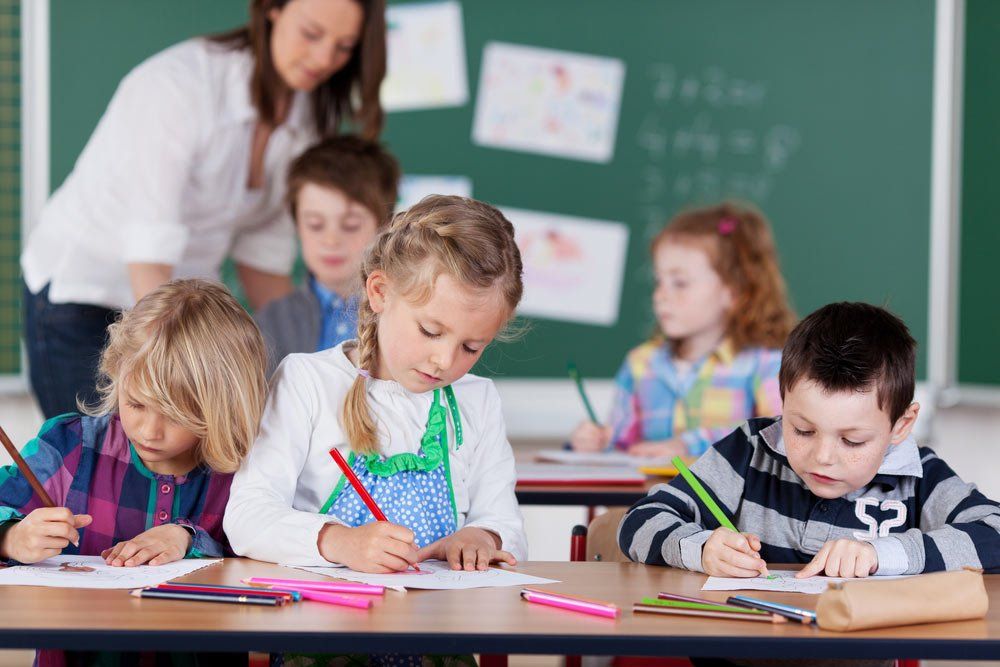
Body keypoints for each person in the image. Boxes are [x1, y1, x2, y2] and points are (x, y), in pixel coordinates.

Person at [21, 0, 386, 418]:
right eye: (311, 34)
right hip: (86, 295)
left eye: (344, 47)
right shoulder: (178, 88)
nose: (325, 59)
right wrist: (195, 371)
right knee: (104, 465)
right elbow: (149, 259)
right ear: (271, 9)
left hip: (178, 300)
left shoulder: (308, 117)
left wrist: (315, 374)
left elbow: (263, 262)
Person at [225, 195, 528, 574]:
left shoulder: (477, 399)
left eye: (471, 347)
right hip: (321, 621)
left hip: (439, 621)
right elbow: (247, 517)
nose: (446, 361)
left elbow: (504, 521)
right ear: (380, 292)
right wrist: (339, 542)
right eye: (430, 331)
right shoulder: (307, 382)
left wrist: (483, 537)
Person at [618, 302, 1000, 578]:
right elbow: (639, 522)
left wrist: (882, 554)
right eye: (802, 430)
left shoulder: (919, 478)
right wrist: (700, 550)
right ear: (783, 401)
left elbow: (994, 531)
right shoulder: (749, 450)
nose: (823, 457)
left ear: (901, 425)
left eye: (853, 441)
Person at [0, 279, 269, 667]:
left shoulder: (245, 468)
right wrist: (12, 538)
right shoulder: (70, 446)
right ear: (116, 373)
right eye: (137, 404)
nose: (149, 431)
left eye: (177, 415)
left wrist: (189, 539)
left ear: (224, 404)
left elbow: (273, 563)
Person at [571, 202, 796, 458]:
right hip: (652, 497)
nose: (660, 296)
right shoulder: (641, 363)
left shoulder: (765, 363)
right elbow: (622, 441)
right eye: (659, 281)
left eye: (680, 283)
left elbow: (780, 433)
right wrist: (599, 441)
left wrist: (689, 445)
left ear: (733, 291)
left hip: (727, 499)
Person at [256, 135, 400, 376]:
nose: (331, 240)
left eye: (351, 225)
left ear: (385, 226)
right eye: (315, 224)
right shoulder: (269, 324)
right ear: (297, 225)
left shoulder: (408, 315)